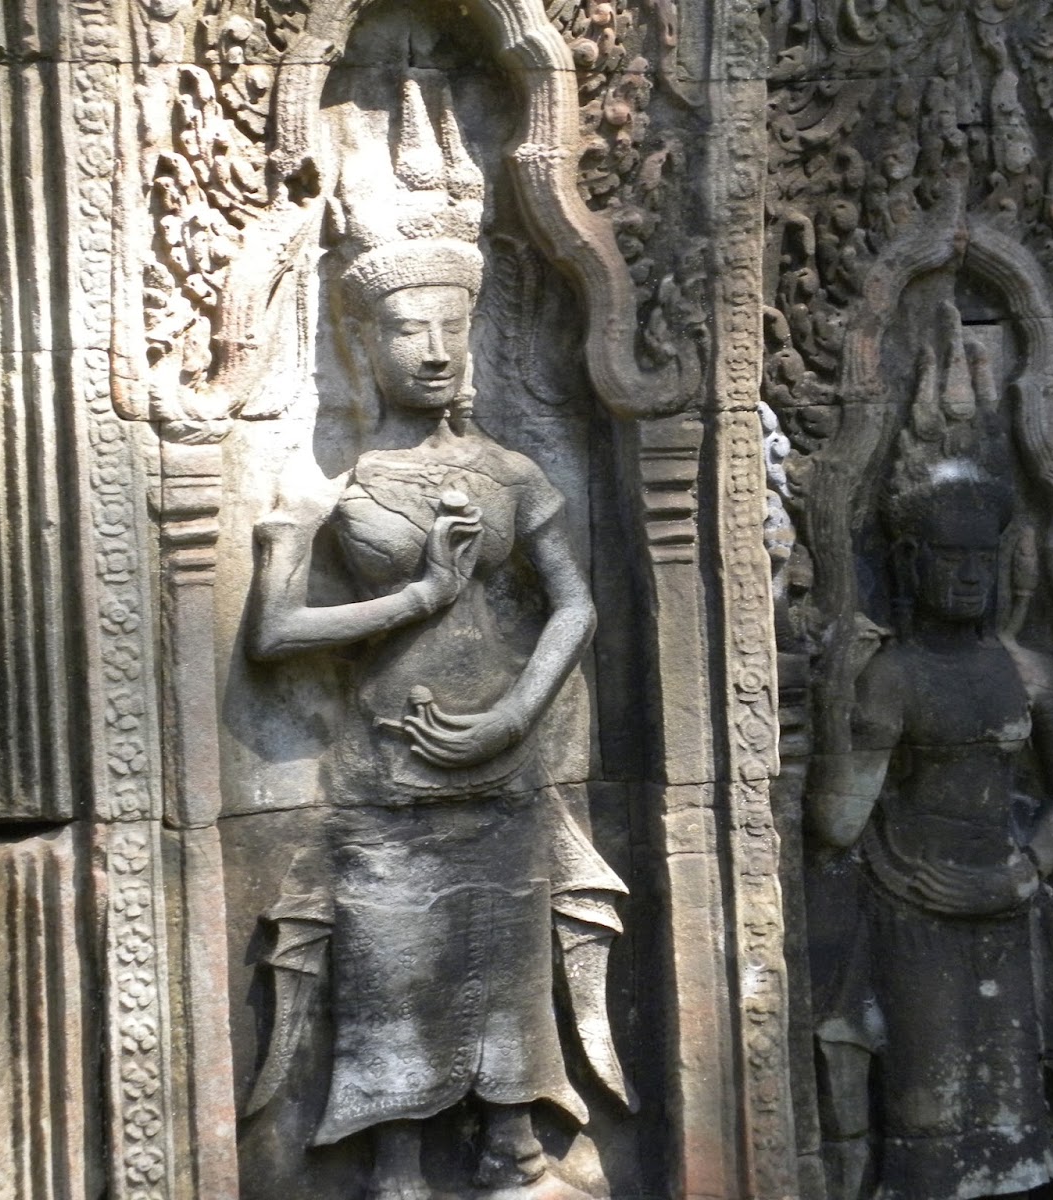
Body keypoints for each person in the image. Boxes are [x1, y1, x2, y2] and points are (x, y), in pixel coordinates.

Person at [244, 78, 630, 1200]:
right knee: (392, 962)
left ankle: (513, 1142)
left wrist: (515, 713)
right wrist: (416, 599)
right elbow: (275, 631)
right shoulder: (325, 486)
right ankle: (398, 1160)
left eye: (451, 327)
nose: (433, 348)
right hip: (388, 773)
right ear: (362, 341)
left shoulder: (509, 471)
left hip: (503, 764)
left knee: (505, 959)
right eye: (408, 328)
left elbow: (574, 604)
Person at [808, 455, 1053, 1200]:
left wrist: (1020, 875)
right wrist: (838, 702)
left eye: (984, 556)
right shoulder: (894, 676)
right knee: (932, 1111)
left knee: (1014, 1109)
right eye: (951, 557)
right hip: (913, 907)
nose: (971, 574)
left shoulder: (1031, 672)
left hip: (1008, 909)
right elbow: (839, 823)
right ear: (912, 562)